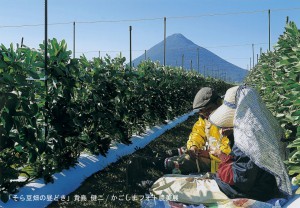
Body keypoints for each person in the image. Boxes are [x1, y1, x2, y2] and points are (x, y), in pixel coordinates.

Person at [208, 85, 292, 201]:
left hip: (257, 191)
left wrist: (222, 162)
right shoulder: (265, 126)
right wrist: (232, 135)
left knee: (215, 183)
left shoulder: (247, 137)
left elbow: (239, 178)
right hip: (269, 183)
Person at [164, 87, 232, 174]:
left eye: (208, 109)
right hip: (213, 153)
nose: (206, 115)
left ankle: (158, 164)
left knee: (184, 162)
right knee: (190, 151)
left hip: (222, 165)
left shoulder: (228, 121)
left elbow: (229, 153)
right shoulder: (206, 118)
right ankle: (162, 158)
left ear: (218, 103)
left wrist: (208, 154)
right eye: (203, 112)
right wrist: (194, 146)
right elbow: (197, 133)